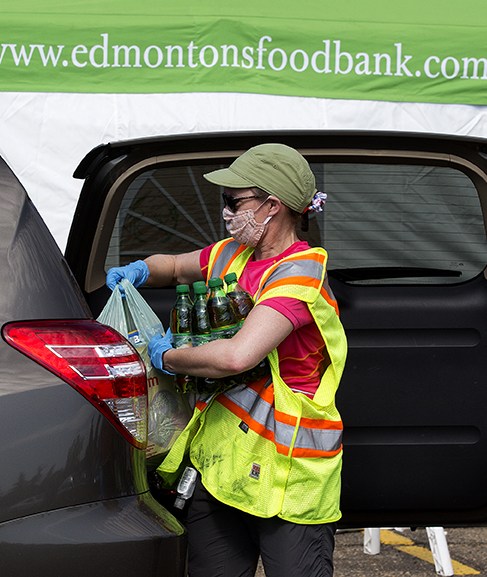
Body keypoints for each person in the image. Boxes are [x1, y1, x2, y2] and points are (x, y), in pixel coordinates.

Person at [106, 143, 347, 577]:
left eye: (234, 202)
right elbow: (178, 267)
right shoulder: (233, 255)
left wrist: (170, 357)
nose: (226, 212)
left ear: (272, 207)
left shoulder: (298, 274)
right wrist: (140, 269)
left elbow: (238, 356)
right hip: (222, 469)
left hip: (286, 476)